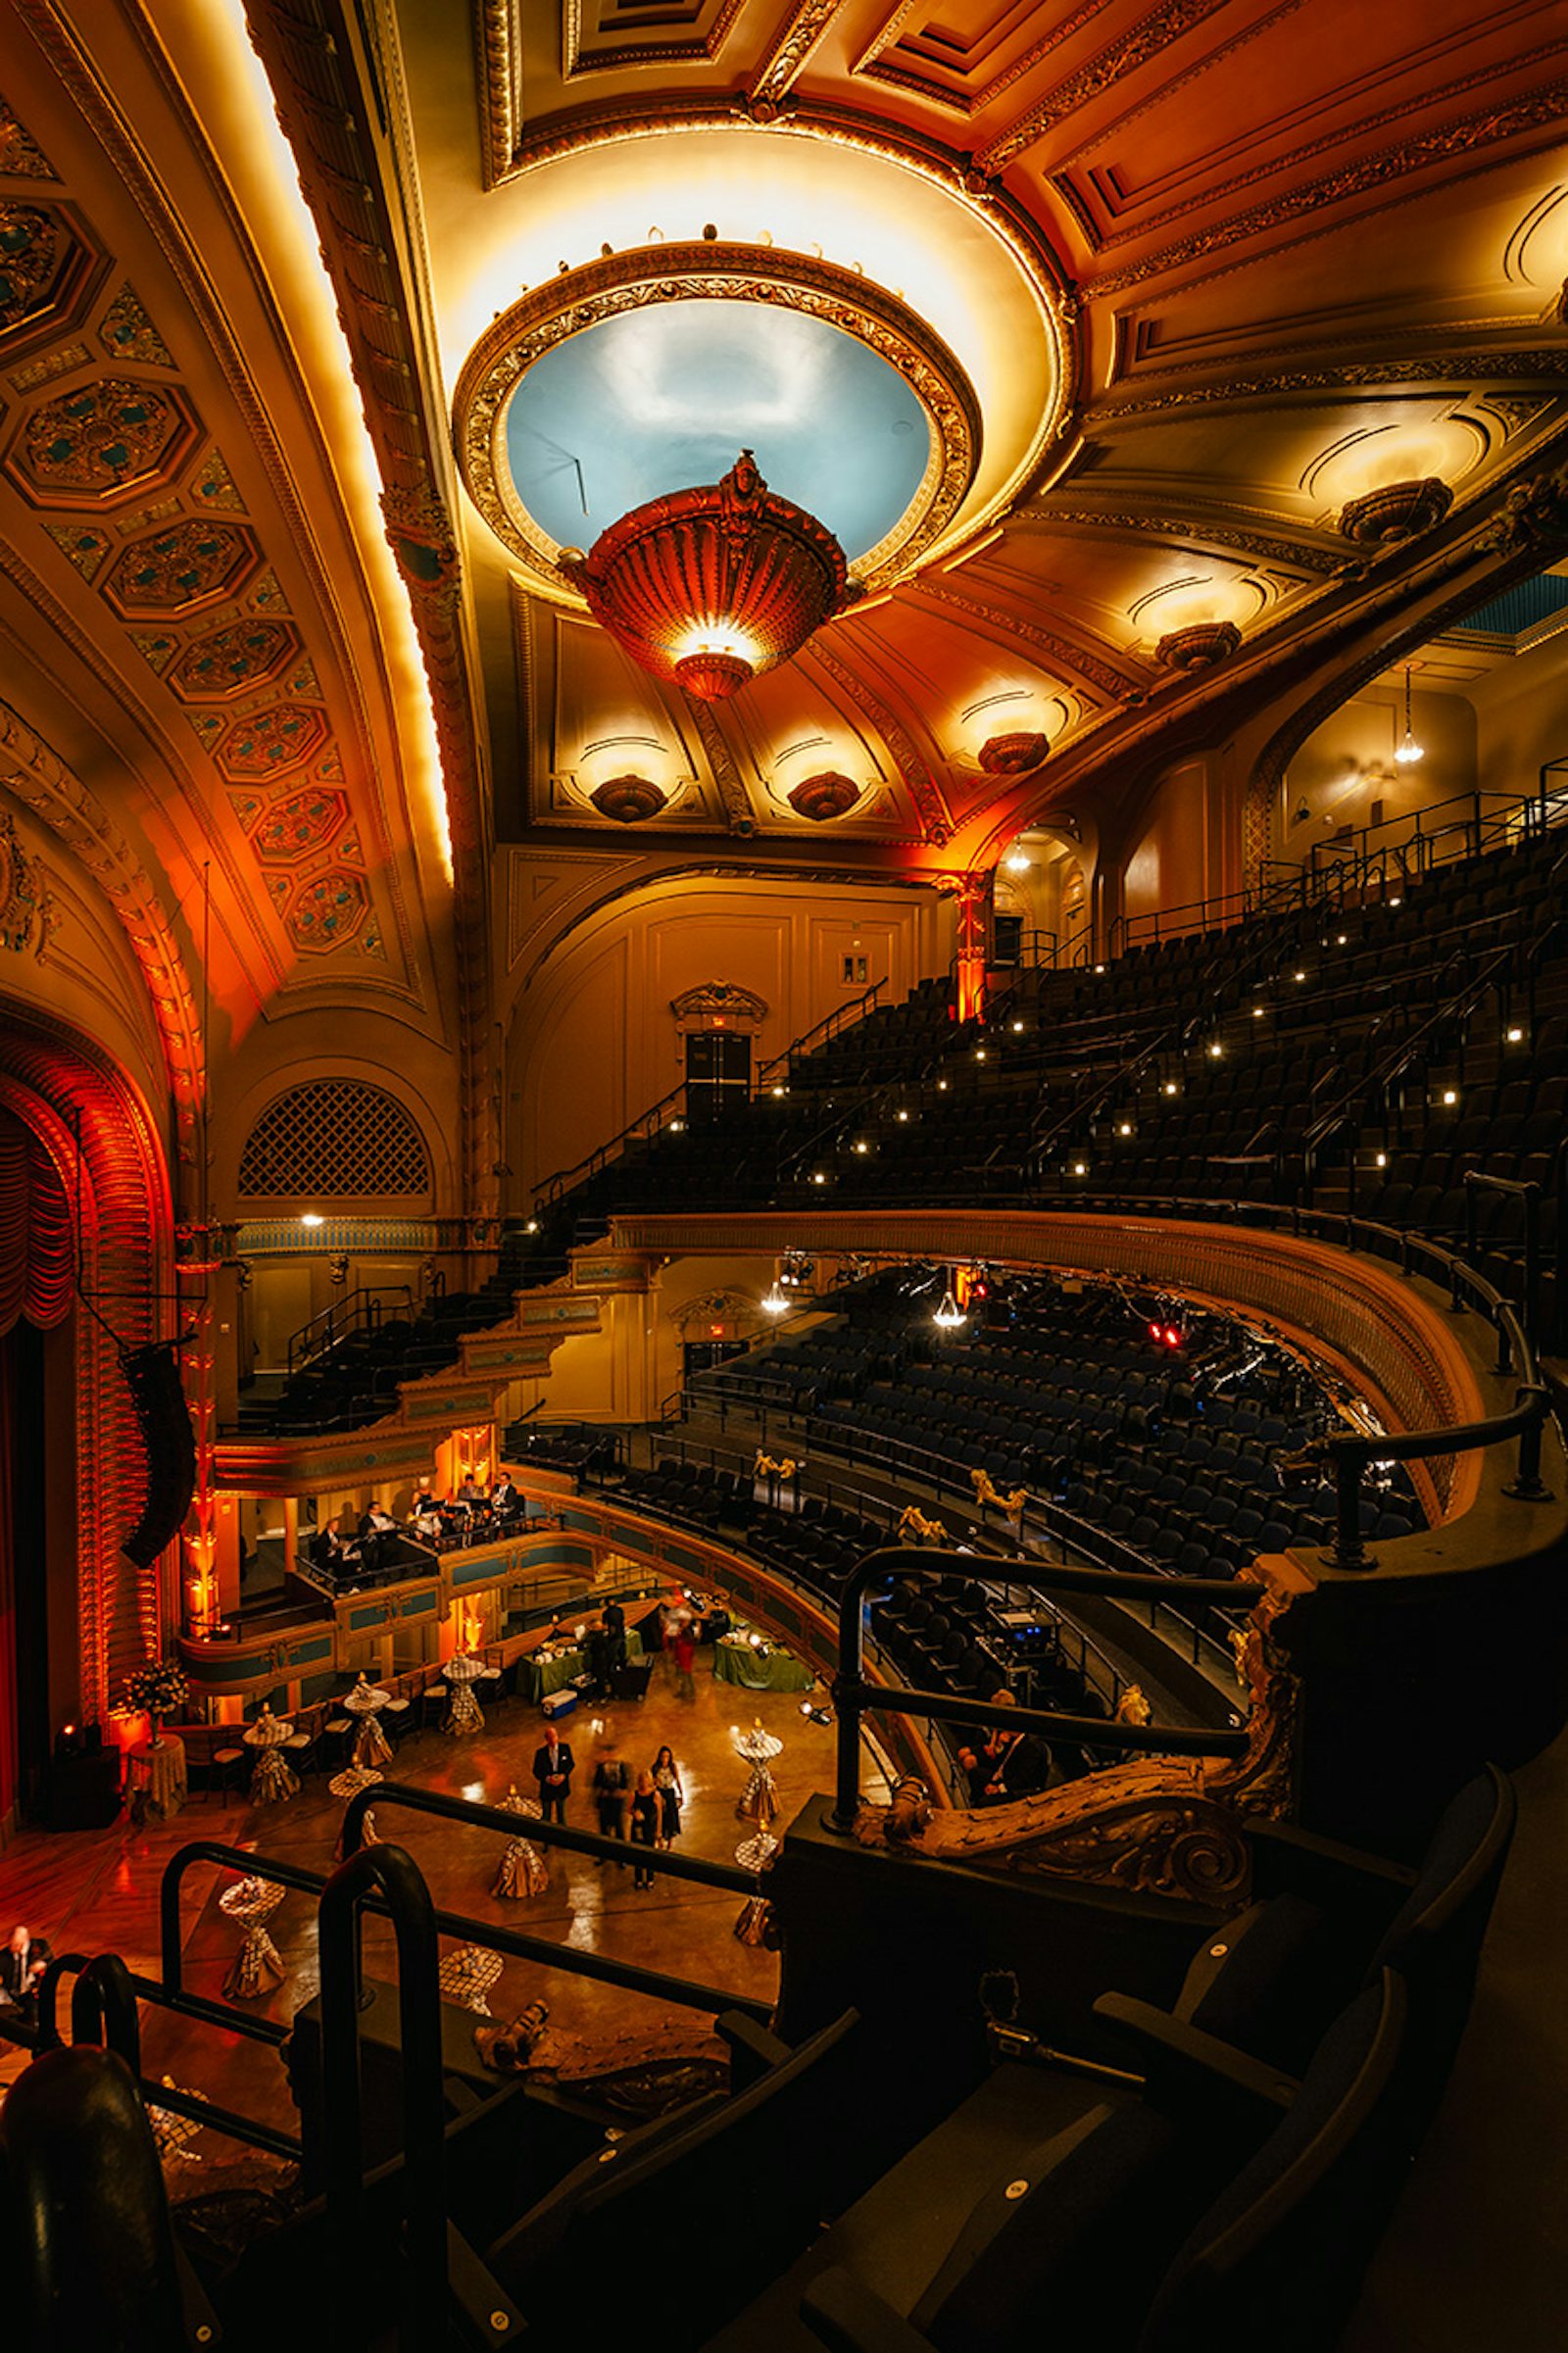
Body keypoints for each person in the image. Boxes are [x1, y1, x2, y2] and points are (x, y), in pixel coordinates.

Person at [1, 1924, 53, 2027]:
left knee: (34, 2016)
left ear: (25, 1941)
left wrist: (43, 1964)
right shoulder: (5, 1955)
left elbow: (51, 1962)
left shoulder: (40, 1947)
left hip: (31, 1992)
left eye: (16, 1945)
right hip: (10, 1994)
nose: (12, 1947)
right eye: (11, 1944)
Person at [592, 1743, 630, 1858]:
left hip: (617, 1804)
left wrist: (622, 1793)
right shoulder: (601, 1767)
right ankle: (603, 1855)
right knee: (604, 1831)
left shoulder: (622, 1767)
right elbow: (596, 1784)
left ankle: (621, 1856)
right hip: (605, 1803)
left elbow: (626, 1785)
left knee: (619, 1830)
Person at [532, 1723, 574, 1823]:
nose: (553, 1740)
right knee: (546, 1816)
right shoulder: (540, 1753)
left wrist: (563, 1776)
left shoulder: (565, 1748)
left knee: (561, 1816)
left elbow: (571, 1764)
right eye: (550, 1738)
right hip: (547, 1788)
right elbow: (536, 1771)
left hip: (561, 1787)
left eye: (554, 1736)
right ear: (546, 1739)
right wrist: (547, 1779)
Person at [629, 1769, 661, 1889]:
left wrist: (658, 1832)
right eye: (641, 1780)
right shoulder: (635, 1794)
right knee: (637, 1855)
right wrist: (634, 1812)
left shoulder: (655, 1795)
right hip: (637, 1829)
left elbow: (659, 1814)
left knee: (650, 1855)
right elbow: (629, 1808)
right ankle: (638, 1879)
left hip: (650, 1829)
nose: (644, 1782)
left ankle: (650, 1879)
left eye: (646, 1780)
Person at [651, 1745, 684, 1846]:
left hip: (669, 1793)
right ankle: (660, 1838)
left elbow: (677, 1780)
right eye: (663, 1756)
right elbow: (651, 1782)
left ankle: (670, 1841)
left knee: (671, 1816)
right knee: (660, 1817)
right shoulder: (655, 1768)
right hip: (660, 1792)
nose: (665, 1759)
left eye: (667, 1757)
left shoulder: (672, 1767)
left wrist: (681, 1794)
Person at [669, 1617, 697, 1701]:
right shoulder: (680, 1634)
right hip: (680, 1656)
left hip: (685, 1657)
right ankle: (684, 1691)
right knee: (681, 1675)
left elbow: (689, 1648)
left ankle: (691, 1693)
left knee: (687, 1674)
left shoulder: (687, 1635)